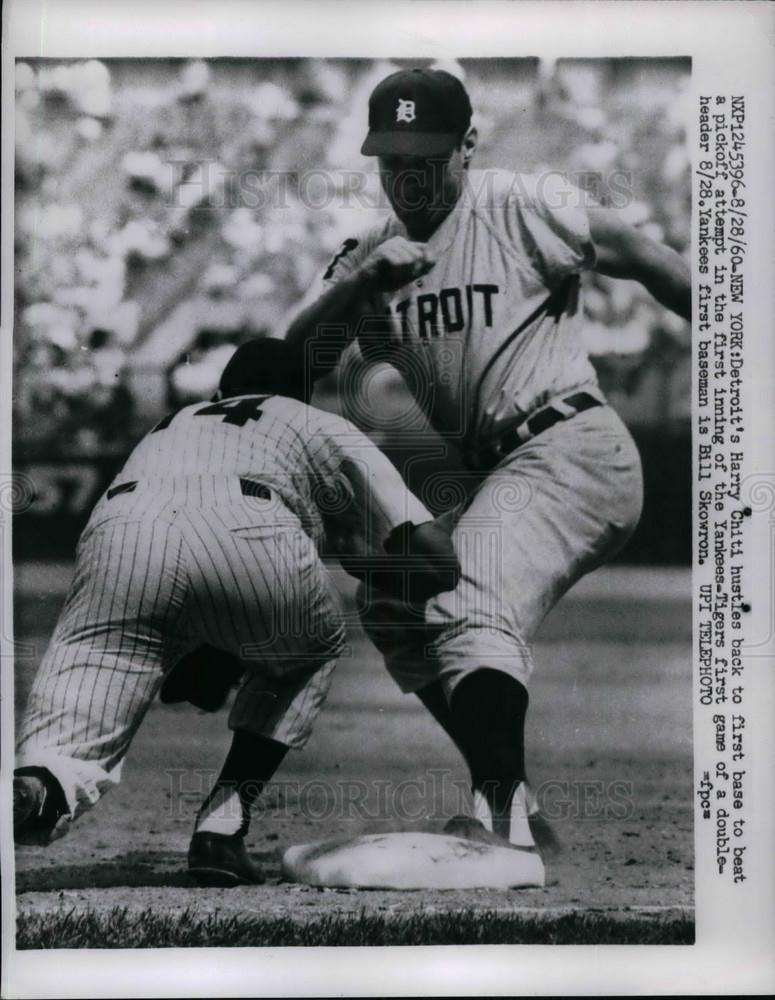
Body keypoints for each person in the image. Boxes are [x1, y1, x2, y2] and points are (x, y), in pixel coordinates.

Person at [285, 67, 691, 850]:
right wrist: (356, 291)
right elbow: (284, 362)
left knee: (463, 592)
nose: (407, 178)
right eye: (391, 161)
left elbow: (642, 255)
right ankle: (511, 797)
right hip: (500, 472)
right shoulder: (370, 253)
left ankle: (500, 823)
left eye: (425, 159)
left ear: (467, 145)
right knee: (395, 604)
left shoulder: (517, 203)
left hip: (570, 446)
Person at [14, 338, 459, 886]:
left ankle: (33, 789)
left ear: (223, 391)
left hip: (120, 530)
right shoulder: (316, 421)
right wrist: (383, 569)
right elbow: (437, 560)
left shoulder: (174, 422)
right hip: (252, 527)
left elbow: (178, 543)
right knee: (310, 647)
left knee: (64, 740)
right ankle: (221, 830)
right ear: (301, 395)